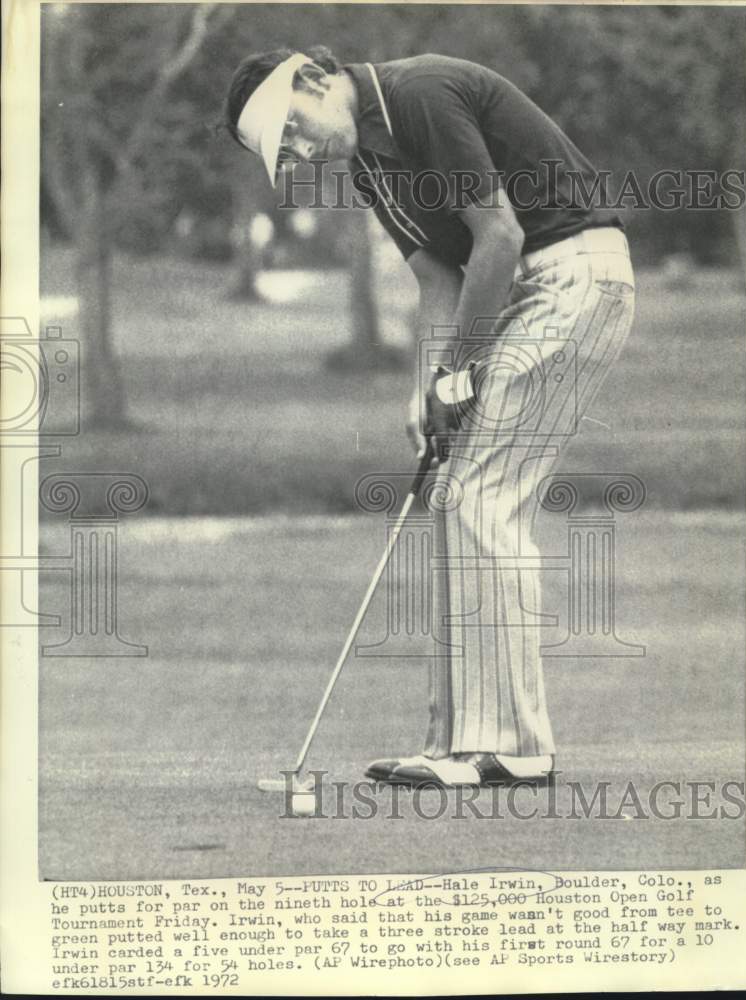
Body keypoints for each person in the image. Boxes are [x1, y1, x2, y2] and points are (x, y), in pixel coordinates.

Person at [223, 47, 635, 788]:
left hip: (574, 277)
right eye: (286, 153)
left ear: (316, 81)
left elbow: (499, 236)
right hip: (526, 292)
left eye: (296, 129)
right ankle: (457, 743)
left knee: (482, 495)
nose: (303, 152)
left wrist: (458, 374)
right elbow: (437, 276)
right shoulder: (369, 166)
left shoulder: (420, 94)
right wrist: (427, 389)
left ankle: (511, 747)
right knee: (458, 494)